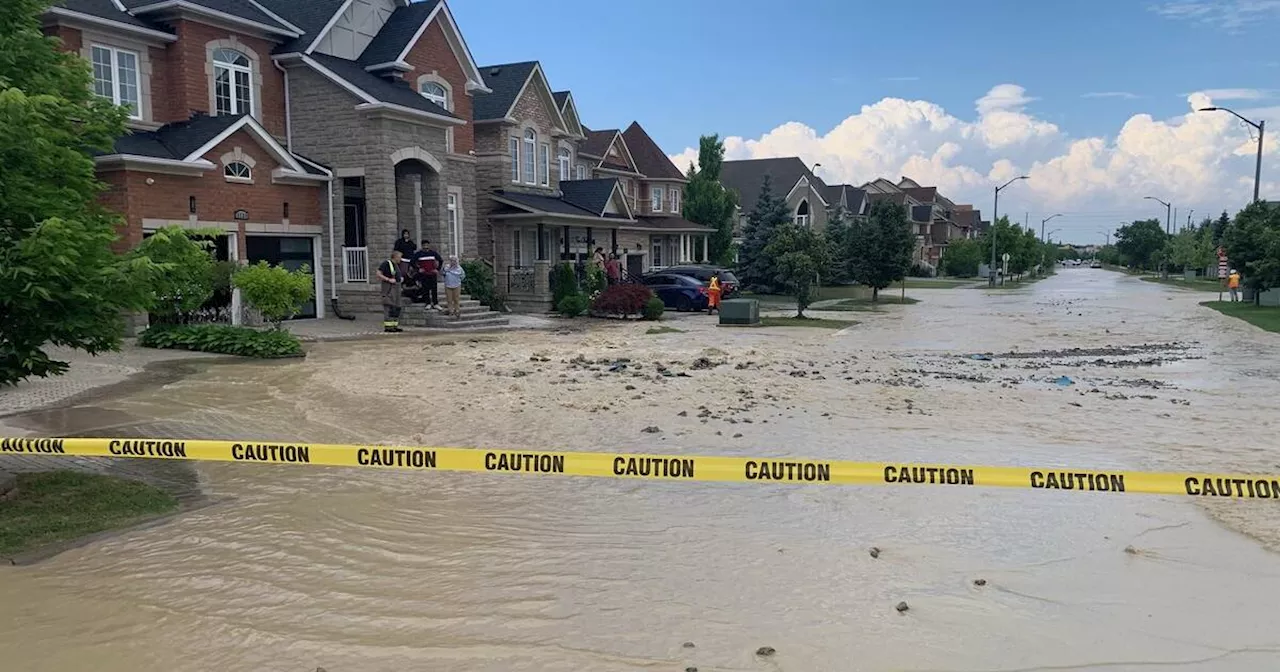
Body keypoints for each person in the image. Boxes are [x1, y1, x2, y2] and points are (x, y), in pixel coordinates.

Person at [410, 239, 443, 309]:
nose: (426, 247)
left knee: (434, 289)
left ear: (429, 245)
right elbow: (412, 262)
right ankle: (428, 303)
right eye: (424, 245)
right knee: (425, 289)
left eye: (427, 245)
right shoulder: (419, 254)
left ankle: (435, 303)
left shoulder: (433, 253)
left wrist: (437, 269)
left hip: (432, 274)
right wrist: (418, 269)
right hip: (424, 274)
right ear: (422, 246)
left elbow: (440, 260)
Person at [376, 250, 405, 332]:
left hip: (397, 288)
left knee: (397, 307)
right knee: (389, 306)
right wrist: (388, 279)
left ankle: (394, 325)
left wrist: (400, 279)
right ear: (395, 257)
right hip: (389, 288)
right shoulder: (386, 263)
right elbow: (378, 274)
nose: (400, 259)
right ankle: (388, 327)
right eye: (399, 257)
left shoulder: (396, 265)